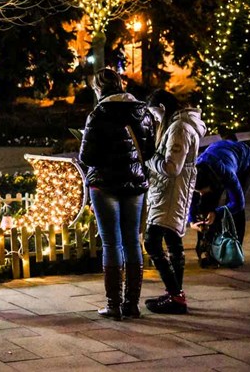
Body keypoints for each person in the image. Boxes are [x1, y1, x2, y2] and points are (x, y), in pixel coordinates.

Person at [78, 68, 155, 320]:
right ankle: (132, 304)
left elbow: (86, 156)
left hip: (105, 184)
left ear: (99, 88)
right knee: (133, 240)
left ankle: (113, 304)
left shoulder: (98, 114)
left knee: (112, 242)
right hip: (134, 182)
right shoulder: (142, 111)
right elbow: (150, 150)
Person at [142, 90, 206, 315]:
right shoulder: (183, 125)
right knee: (172, 242)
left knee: (152, 242)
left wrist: (148, 157)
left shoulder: (179, 128)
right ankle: (175, 295)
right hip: (173, 193)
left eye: (156, 114)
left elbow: (172, 167)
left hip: (170, 194)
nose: (157, 119)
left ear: (162, 106)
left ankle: (176, 294)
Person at [189, 138, 250, 267]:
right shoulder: (194, 172)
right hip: (217, 157)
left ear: (213, 184)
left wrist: (217, 212)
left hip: (245, 163)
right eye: (199, 191)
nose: (201, 193)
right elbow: (192, 199)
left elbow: (238, 203)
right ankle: (208, 250)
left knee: (232, 210)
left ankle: (233, 252)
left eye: (203, 190)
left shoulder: (227, 174)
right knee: (205, 205)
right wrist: (192, 220)